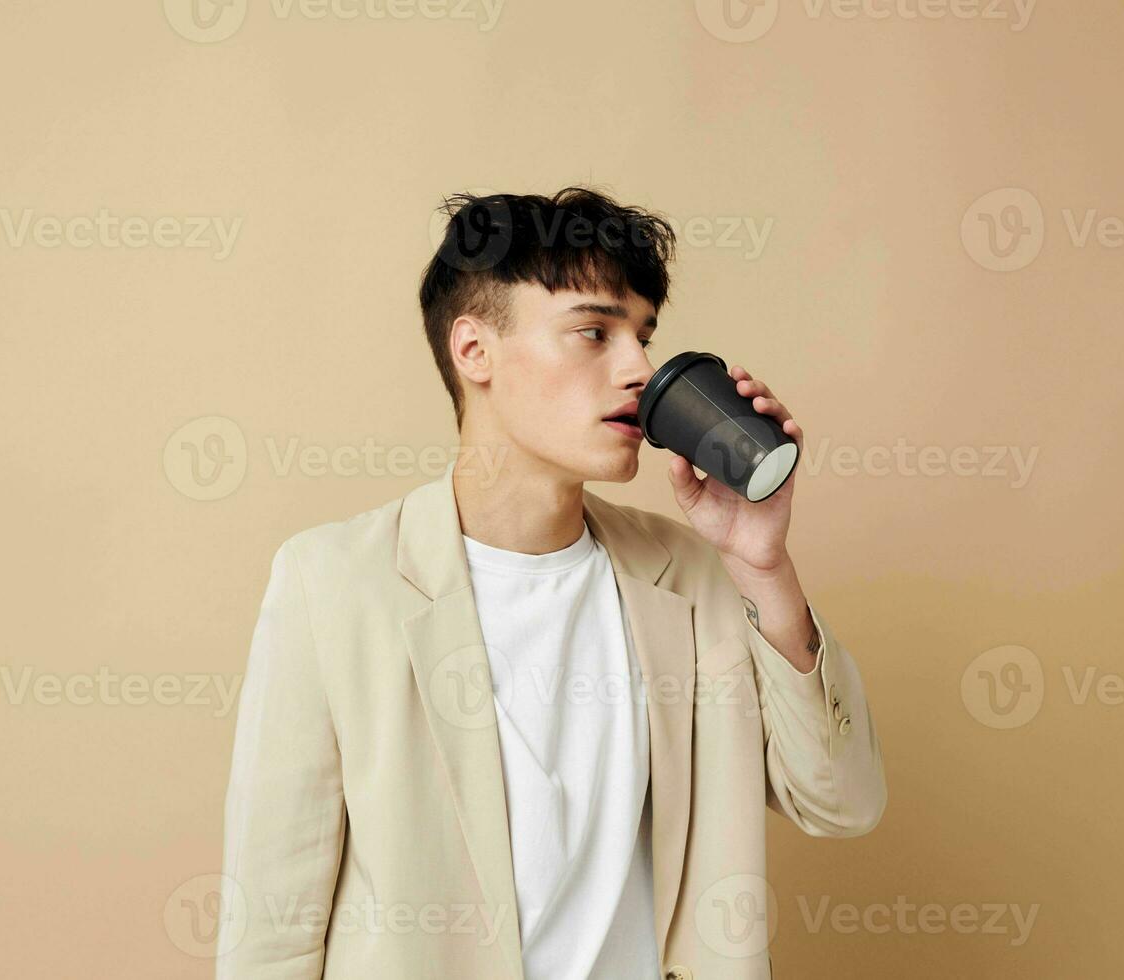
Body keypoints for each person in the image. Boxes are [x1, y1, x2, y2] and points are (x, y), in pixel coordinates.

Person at [216, 186, 887, 980]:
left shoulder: (695, 579)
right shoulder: (332, 583)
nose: (640, 369)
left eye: (643, 335)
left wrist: (764, 565)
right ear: (474, 351)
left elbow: (842, 802)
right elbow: (272, 928)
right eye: (594, 332)